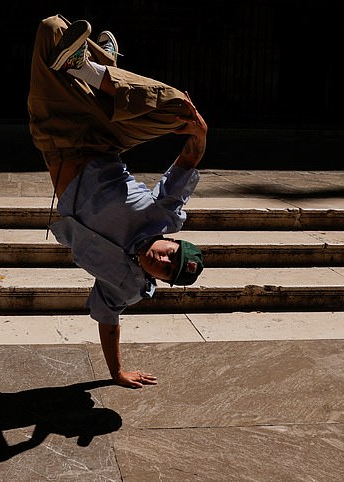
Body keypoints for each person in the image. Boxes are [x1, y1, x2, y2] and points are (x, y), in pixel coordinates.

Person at [27, 14, 208, 388]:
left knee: (49, 30)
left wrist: (115, 373)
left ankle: (99, 62)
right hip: (101, 137)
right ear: (171, 242)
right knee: (179, 107)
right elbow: (187, 161)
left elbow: (108, 321)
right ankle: (92, 68)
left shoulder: (125, 286)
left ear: (158, 280)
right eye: (170, 254)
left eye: (165, 270)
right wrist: (202, 132)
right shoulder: (163, 214)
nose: (161, 260)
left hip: (56, 143)